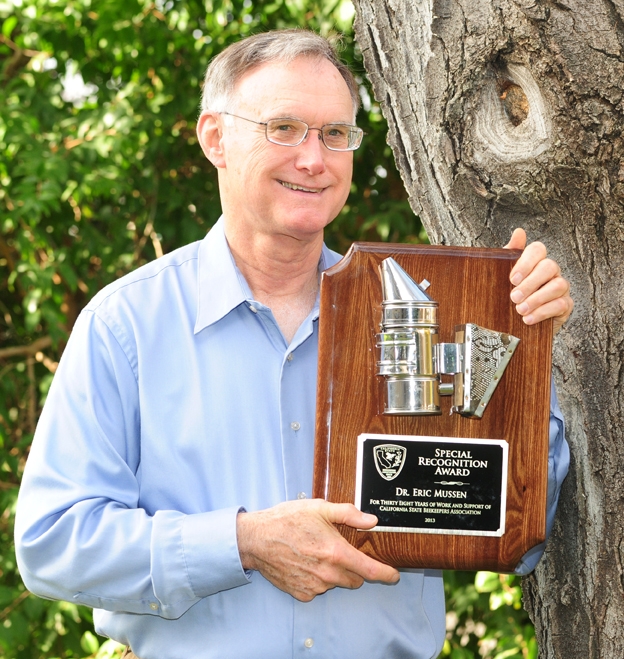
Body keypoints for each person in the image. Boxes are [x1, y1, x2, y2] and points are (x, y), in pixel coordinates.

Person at [15, 29, 572, 659]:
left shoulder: (428, 315)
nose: (314, 159)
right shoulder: (126, 327)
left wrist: (524, 357)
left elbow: (522, 525)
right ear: (215, 138)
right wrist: (244, 543)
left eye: (335, 134)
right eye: (284, 127)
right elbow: (53, 545)